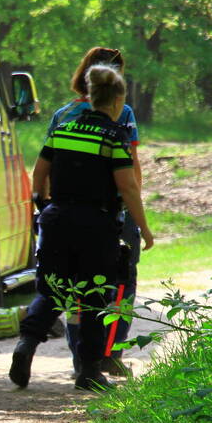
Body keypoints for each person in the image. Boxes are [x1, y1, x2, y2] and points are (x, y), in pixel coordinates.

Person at [11, 65, 153, 391]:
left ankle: (26, 344)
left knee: (51, 291)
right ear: (117, 100)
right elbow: (128, 188)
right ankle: (88, 372)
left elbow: (39, 173)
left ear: (89, 96)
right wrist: (144, 229)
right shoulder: (113, 137)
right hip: (96, 226)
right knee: (92, 297)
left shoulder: (64, 130)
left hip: (57, 219)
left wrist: (44, 205)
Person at [44, 47, 143, 378]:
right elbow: (131, 168)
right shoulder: (123, 113)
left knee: (72, 285)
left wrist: (46, 206)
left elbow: (45, 166)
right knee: (119, 282)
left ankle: (80, 360)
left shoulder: (62, 115)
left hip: (63, 210)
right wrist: (137, 213)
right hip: (108, 212)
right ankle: (109, 353)